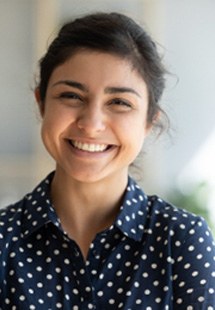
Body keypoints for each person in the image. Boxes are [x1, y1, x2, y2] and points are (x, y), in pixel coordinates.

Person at [0, 12, 214, 310]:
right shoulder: (3, 240)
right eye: (72, 96)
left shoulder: (181, 239)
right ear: (41, 103)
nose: (91, 124)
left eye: (119, 102)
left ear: (149, 121)